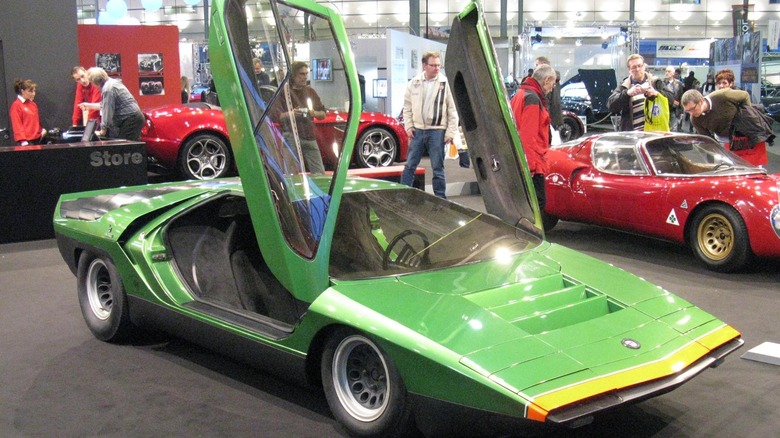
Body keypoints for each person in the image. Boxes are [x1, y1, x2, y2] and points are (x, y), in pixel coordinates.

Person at [401, 51, 459, 198]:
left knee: (438, 168)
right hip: (418, 130)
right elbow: (407, 107)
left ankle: (440, 198)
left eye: (439, 65)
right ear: (424, 66)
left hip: (437, 131)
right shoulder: (413, 83)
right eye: (433, 65)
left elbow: (452, 110)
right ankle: (403, 195)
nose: (437, 68)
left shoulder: (445, 84)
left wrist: (450, 132)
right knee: (409, 166)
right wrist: (408, 126)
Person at [681, 88, 769, 167]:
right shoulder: (695, 119)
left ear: (701, 101)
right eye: (688, 111)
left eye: (692, 109)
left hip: (745, 132)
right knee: (732, 167)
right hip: (724, 139)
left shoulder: (722, 96)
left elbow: (744, 95)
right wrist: (718, 157)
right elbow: (707, 140)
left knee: (754, 165)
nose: (691, 113)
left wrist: (747, 116)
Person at [510, 64, 556, 211]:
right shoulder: (532, 99)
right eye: (552, 84)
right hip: (533, 164)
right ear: (547, 79)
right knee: (537, 204)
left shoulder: (520, 94)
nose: (552, 88)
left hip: (522, 160)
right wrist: (528, 168)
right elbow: (528, 137)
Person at [270, 61, 326, 173]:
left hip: (309, 136)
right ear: (293, 75)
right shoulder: (283, 92)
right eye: (302, 74)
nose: (305, 77)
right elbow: (275, 116)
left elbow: (323, 114)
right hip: (291, 136)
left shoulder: (310, 92)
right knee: (291, 173)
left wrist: (313, 113)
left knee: (319, 172)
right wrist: (291, 114)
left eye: (306, 74)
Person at [607, 54, 673, 131]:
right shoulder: (625, 85)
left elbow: (672, 100)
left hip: (654, 133)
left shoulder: (655, 82)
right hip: (632, 135)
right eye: (634, 67)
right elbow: (611, 105)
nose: (637, 69)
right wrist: (627, 94)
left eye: (640, 66)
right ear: (629, 70)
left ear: (644, 66)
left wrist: (656, 93)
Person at [86, 67, 144, 141]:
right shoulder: (112, 82)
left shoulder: (107, 89)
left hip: (130, 119)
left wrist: (103, 129)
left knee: (125, 148)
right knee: (128, 145)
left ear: (94, 81)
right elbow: (106, 105)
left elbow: (107, 110)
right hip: (134, 117)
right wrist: (89, 106)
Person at [10, 79, 46, 146]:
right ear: (22, 91)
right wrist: (23, 141)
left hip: (37, 139)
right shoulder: (16, 105)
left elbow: (35, 121)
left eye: (34, 91)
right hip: (26, 142)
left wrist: (41, 130)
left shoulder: (33, 104)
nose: (33, 94)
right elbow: (17, 125)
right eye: (30, 91)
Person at [534, 56, 563, 129]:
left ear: (543, 65)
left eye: (537, 65)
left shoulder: (549, 81)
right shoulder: (554, 80)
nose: (536, 68)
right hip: (552, 117)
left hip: (549, 119)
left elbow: (550, 101)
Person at [663, 65, 684, 131]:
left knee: (673, 130)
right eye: (666, 71)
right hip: (664, 110)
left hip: (674, 110)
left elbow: (680, 97)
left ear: (673, 73)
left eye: (669, 71)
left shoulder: (679, 84)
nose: (667, 73)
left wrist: (681, 111)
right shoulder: (661, 84)